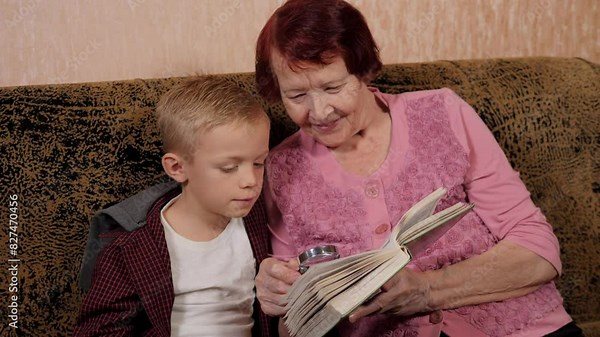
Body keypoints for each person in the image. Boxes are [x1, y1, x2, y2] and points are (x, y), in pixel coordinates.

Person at [253, 1, 583, 336]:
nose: (320, 112)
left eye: (333, 87)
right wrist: (284, 297)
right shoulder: (280, 169)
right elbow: (294, 326)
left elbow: (539, 251)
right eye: (296, 96)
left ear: (363, 70)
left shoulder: (442, 112)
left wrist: (426, 289)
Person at [74, 76, 276, 337]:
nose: (250, 181)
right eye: (229, 167)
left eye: (259, 163)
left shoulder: (259, 218)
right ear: (177, 168)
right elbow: (98, 331)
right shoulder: (132, 247)